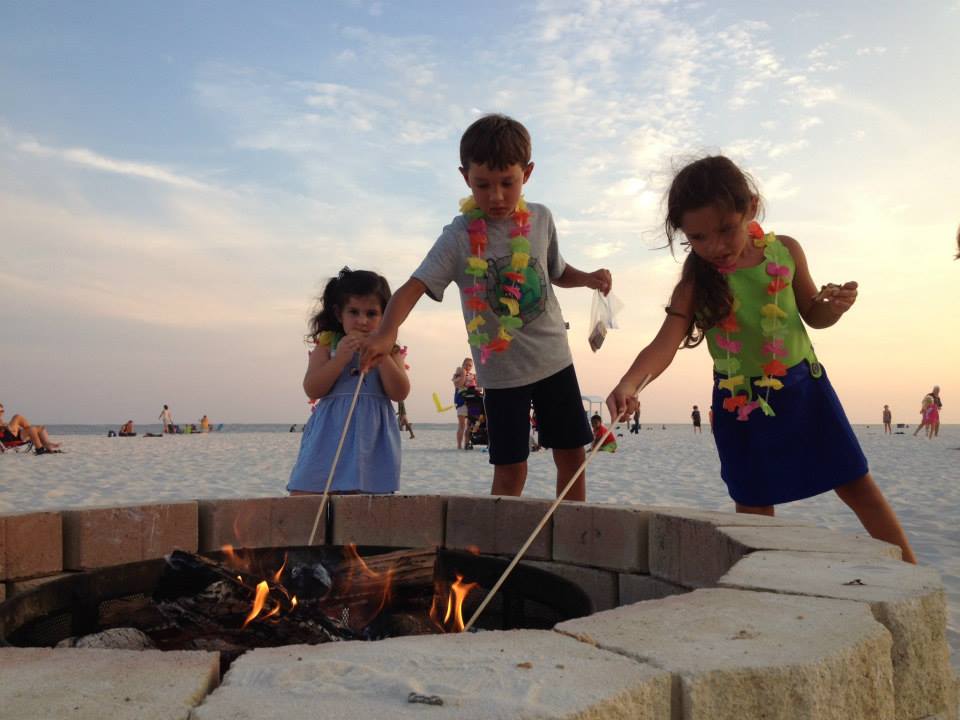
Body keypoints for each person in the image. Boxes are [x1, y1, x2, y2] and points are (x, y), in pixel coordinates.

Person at [605, 155, 916, 563]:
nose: (715, 246)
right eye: (698, 237)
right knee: (753, 505)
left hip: (804, 389)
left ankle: (911, 569)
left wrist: (834, 308)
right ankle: (759, 583)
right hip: (740, 406)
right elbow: (664, 344)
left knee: (855, 483)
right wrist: (630, 383)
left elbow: (813, 315)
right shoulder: (696, 282)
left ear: (750, 207)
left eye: (725, 229)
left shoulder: (785, 251)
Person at [362, 114, 611, 501]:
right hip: (500, 375)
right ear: (465, 177)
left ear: (527, 174)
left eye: (507, 183)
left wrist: (589, 278)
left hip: (553, 360)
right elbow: (413, 287)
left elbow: (556, 271)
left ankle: (571, 531)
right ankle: (504, 536)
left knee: (571, 456)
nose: (496, 196)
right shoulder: (458, 237)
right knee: (511, 468)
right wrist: (386, 332)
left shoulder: (541, 218)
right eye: (483, 185)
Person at [288, 268, 409, 495]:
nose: (362, 321)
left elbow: (400, 392)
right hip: (329, 433)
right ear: (339, 314)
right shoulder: (327, 347)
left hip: (371, 437)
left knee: (364, 497)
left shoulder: (391, 351)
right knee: (308, 493)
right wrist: (340, 359)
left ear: (385, 317)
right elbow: (312, 388)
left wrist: (381, 355)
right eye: (353, 312)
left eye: (371, 314)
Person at [452, 357, 477, 449]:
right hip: (461, 402)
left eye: (470, 365)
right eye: (466, 365)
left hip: (473, 402)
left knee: (470, 425)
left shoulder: (472, 375)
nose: (468, 367)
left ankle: (467, 444)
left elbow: (478, 388)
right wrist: (463, 374)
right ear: (463, 365)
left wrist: (475, 378)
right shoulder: (457, 375)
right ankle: (459, 446)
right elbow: (459, 385)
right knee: (462, 425)